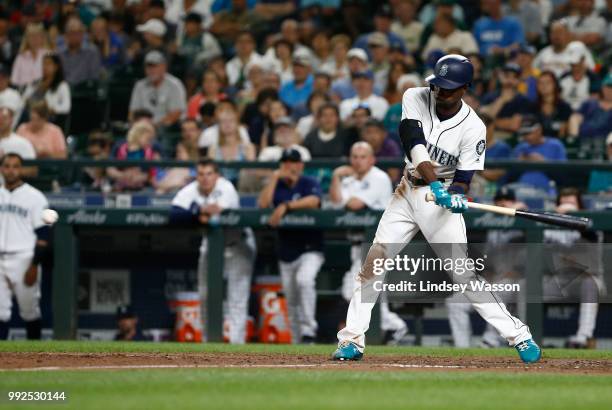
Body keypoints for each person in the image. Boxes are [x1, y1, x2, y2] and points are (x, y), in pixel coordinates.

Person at [332, 54, 542, 364]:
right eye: (439, 86)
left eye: (450, 88)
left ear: (465, 88)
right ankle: (352, 340)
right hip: (408, 191)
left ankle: (519, 335)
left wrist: (456, 193)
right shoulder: (415, 96)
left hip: (439, 204)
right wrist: (436, 185)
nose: (441, 92)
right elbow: (413, 142)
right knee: (374, 263)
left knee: (464, 276)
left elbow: (464, 179)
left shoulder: (474, 127)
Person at [330, 141, 409, 345]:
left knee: (357, 289)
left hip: (380, 243)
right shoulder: (347, 179)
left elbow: (354, 204)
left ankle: (394, 326)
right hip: (357, 245)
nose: (358, 161)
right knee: (370, 292)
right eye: (354, 157)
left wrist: (344, 197)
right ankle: (393, 328)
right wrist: (336, 177)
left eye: (363, 156)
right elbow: (335, 201)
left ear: (372, 159)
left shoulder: (379, 177)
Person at [170, 159, 255, 344]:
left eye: (209, 174)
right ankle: (208, 344)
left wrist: (196, 211)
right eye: (201, 174)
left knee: (237, 299)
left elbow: (215, 212)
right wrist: (197, 213)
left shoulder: (226, 187)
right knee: (205, 294)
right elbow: (174, 213)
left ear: (217, 175)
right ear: (196, 175)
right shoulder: (191, 189)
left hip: (238, 244)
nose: (205, 178)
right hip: (211, 243)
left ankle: (236, 346)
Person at [257, 149, 324, 343]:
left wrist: (286, 206)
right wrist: (274, 178)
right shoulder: (277, 185)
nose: (289, 165)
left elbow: (314, 201)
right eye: (285, 162)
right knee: (291, 298)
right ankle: (297, 342)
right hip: (286, 249)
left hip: (310, 247)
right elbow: (262, 204)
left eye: (293, 162)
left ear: (300, 165)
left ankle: (309, 331)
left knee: (305, 281)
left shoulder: (308, 182)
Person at [446, 187, 526, 348]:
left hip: (517, 281)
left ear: (515, 202)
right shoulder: (489, 224)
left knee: (499, 290)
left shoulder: (523, 221)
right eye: (499, 201)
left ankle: (490, 340)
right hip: (492, 278)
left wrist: (521, 210)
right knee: (454, 301)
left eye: (507, 200)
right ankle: (462, 348)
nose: (503, 203)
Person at [542, 188, 605, 349]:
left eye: (571, 203)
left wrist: (573, 216)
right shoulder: (549, 224)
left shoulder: (590, 222)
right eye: (563, 203)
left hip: (588, 277)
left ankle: (583, 338)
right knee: (528, 286)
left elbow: (592, 236)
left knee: (589, 284)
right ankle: (527, 337)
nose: (567, 208)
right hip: (560, 280)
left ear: (580, 206)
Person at [0, 153, 49, 340]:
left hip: (24, 258)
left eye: (15, 166)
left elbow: (44, 233)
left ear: (20, 170)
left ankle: (34, 357)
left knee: (29, 310)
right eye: (7, 166)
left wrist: (34, 265)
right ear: (2, 169)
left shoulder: (36, 197)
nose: (11, 170)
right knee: (0, 312)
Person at [128, 50, 187, 128]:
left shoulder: (175, 85)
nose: (151, 70)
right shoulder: (140, 86)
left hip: (168, 129)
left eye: (155, 66)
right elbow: (132, 113)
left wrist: (154, 127)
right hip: (143, 129)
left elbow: (176, 113)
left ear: (164, 67)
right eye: (149, 67)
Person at [512, 116, 567, 193]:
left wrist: (543, 162)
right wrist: (519, 163)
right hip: (520, 188)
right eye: (524, 134)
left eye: (529, 133)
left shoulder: (555, 145)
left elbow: (563, 173)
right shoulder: (520, 147)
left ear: (539, 130)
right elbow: (510, 175)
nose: (526, 137)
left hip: (546, 189)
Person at [481, 63, 536, 133]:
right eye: (507, 76)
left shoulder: (525, 101)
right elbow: (482, 121)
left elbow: (514, 126)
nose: (510, 80)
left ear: (520, 80)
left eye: (515, 77)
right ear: (501, 77)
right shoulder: (489, 97)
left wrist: (491, 121)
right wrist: (502, 100)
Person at [207, 107, 256, 186]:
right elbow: (210, 170)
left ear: (237, 123)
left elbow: (251, 170)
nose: (227, 124)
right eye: (223, 121)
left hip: (242, 187)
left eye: (231, 121)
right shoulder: (213, 148)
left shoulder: (248, 147)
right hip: (219, 185)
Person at [107, 120, 161, 191]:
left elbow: (151, 173)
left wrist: (142, 177)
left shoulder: (151, 150)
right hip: (120, 183)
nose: (150, 143)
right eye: (148, 139)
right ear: (138, 135)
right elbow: (110, 169)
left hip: (141, 186)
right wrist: (122, 175)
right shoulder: (119, 146)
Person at [22, 53, 71, 124]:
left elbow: (66, 107)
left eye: (48, 64)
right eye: (43, 64)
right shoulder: (35, 83)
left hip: (50, 118)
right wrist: (37, 90)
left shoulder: (62, 85)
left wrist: (52, 109)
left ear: (56, 67)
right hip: (30, 114)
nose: (44, 67)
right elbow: (23, 100)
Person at [59, 16, 102, 86]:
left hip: (86, 91)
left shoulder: (92, 52)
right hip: (65, 92)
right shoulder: (59, 53)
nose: (75, 36)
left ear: (82, 34)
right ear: (66, 35)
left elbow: (94, 78)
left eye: (78, 33)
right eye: (72, 33)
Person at [10, 23, 51, 89]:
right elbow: (14, 81)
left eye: (37, 36)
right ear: (27, 39)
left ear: (42, 38)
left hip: (44, 92)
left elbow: (52, 78)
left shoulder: (49, 55)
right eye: (31, 36)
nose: (34, 39)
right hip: (22, 93)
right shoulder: (20, 57)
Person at [536, 71, 572, 138]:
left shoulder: (564, 107)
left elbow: (563, 132)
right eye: (540, 83)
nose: (544, 86)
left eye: (548, 82)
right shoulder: (532, 106)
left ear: (555, 84)